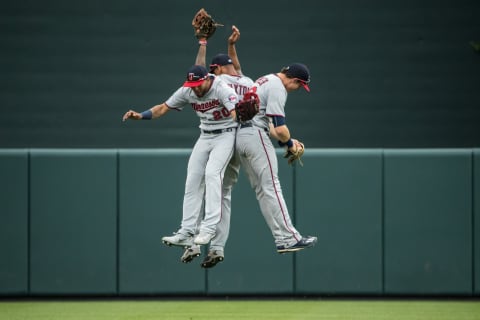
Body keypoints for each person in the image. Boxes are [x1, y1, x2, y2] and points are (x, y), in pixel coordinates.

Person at [122, 64, 239, 249]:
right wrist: (140, 116)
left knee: (212, 174)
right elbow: (162, 108)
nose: (196, 87)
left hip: (226, 134)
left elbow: (236, 114)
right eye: (192, 84)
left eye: (199, 83)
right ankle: (186, 231)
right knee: (192, 179)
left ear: (208, 78)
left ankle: (208, 228)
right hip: (205, 134)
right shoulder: (187, 90)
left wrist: (240, 115)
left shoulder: (221, 88)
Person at [180, 25, 254, 268]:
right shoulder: (247, 81)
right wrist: (232, 45)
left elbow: (199, 70)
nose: (211, 71)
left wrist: (202, 42)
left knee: (202, 184)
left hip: (225, 136)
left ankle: (192, 241)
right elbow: (236, 67)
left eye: (214, 68)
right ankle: (218, 247)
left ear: (219, 69)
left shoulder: (217, 81)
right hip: (244, 141)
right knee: (223, 194)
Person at [236, 62, 317, 253]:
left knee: (263, 191)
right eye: (299, 85)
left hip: (242, 136)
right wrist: (289, 144)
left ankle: (281, 239)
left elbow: (271, 126)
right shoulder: (278, 87)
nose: (297, 89)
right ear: (295, 80)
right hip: (256, 137)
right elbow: (280, 128)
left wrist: (285, 143)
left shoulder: (266, 79)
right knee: (272, 186)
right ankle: (291, 237)